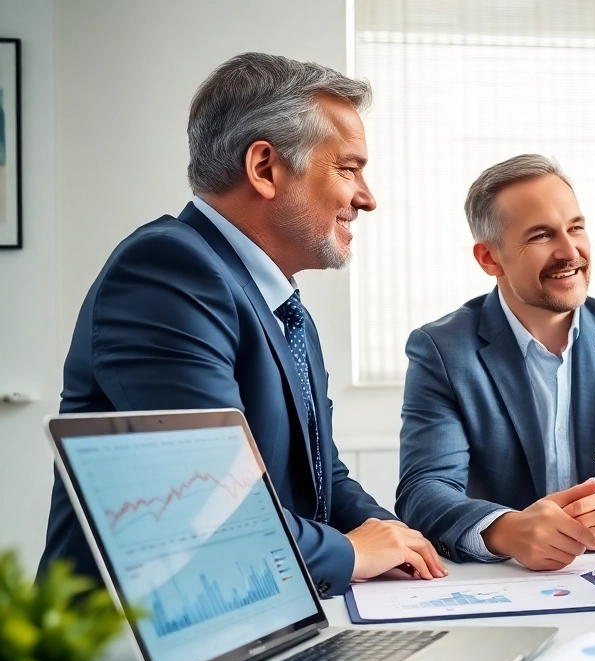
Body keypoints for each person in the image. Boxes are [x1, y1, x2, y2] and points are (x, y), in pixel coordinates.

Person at [40, 53, 446, 598]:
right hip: (136, 649)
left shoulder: (280, 302)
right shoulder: (166, 271)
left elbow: (319, 476)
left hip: (254, 610)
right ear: (264, 169)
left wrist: (397, 540)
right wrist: (353, 551)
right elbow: (210, 508)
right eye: (348, 169)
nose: (366, 198)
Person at [396, 154, 595, 570]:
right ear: (490, 258)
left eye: (576, 228)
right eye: (542, 235)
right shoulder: (442, 349)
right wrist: (507, 530)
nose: (570, 251)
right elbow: (424, 489)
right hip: (504, 587)